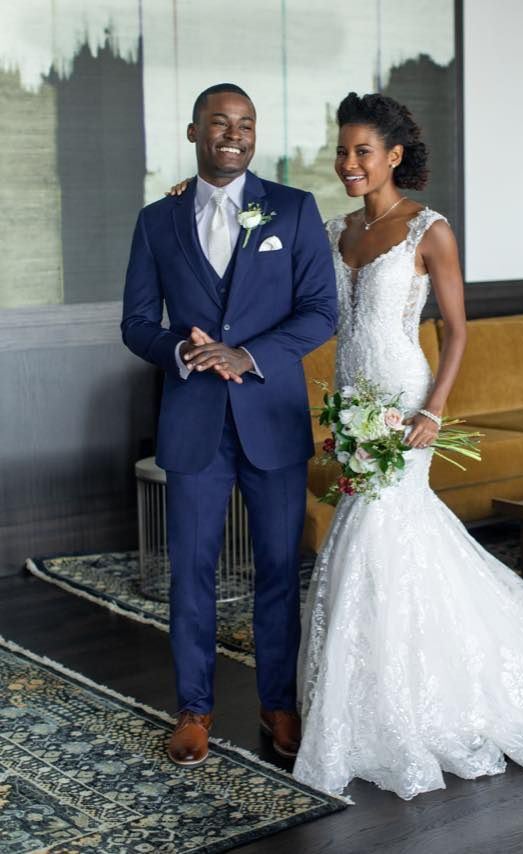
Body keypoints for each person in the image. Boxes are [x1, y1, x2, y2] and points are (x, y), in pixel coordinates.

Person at [290, 92, 523, 799]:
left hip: (408, 403)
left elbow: (459, 329)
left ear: (393, 157)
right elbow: (333, 326)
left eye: (361, 151)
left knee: (376, 531)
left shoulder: (429, 231)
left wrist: (434, 413)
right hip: (356, 401)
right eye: (342, 150)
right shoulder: (335, 229)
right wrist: (334, 411)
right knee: (370, 534)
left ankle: (396, 705)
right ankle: (371, 696)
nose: (347, 162)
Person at [122, 83, 337, 766]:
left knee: (279, 568)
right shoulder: (158, 221)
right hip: (192, 422)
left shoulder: (294, 211)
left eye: (245, 124)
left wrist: (247, 354)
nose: (234, 134)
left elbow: (319, 312)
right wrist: (181, 351)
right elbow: (135, 323)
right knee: (191, 570)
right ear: (194, 133)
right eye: (220, 123)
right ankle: (194, 711)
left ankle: (279, 704)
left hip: (270, 419)